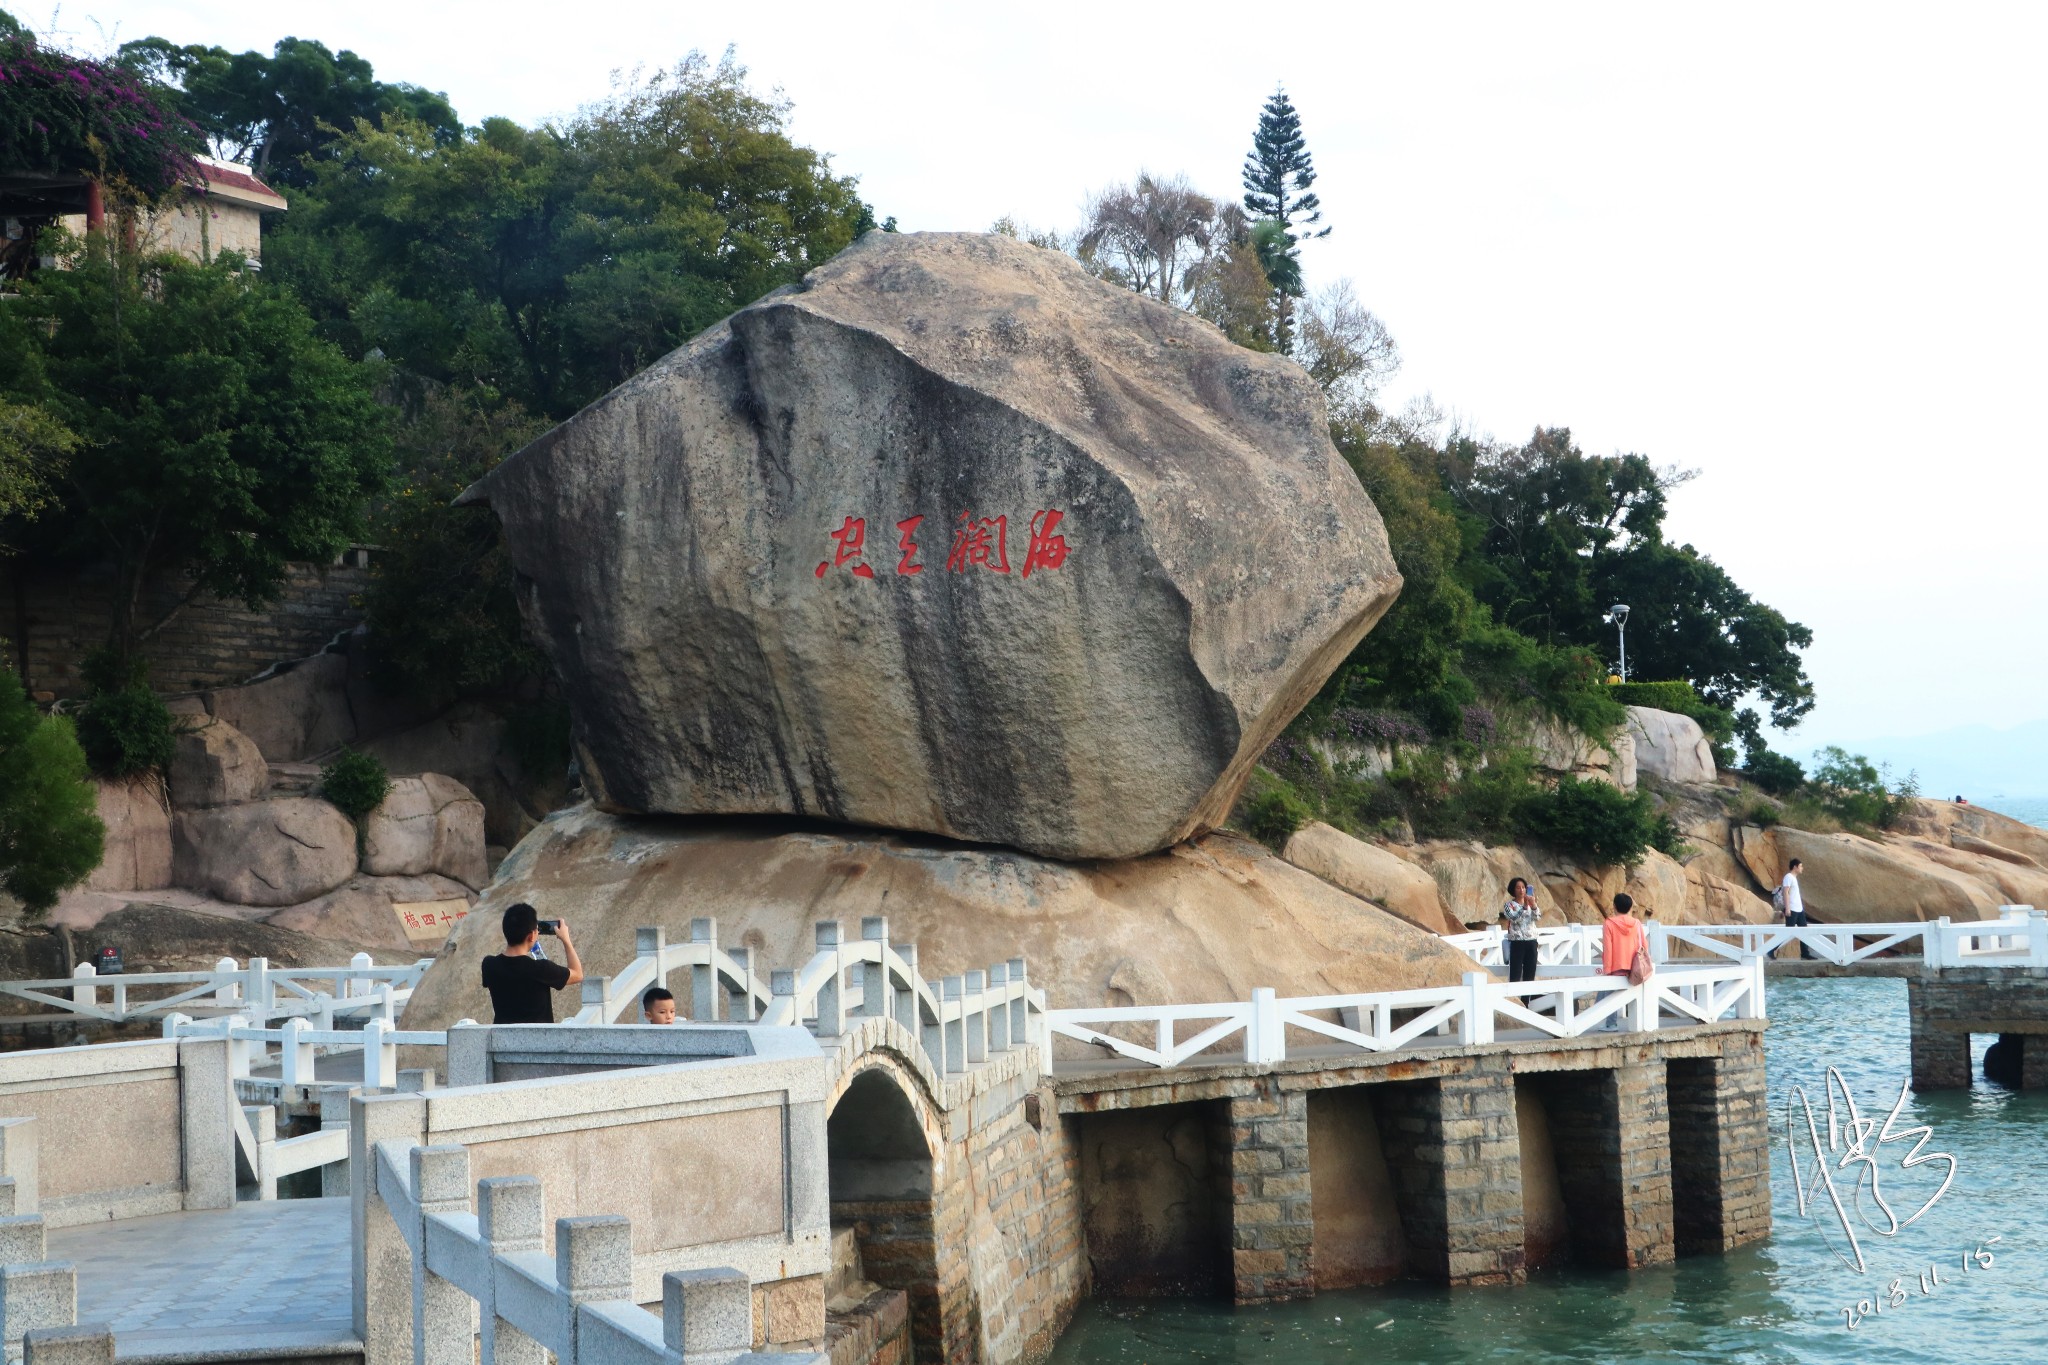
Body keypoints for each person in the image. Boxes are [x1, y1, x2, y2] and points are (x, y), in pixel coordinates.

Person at [480, 902, 584, 1024]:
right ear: (531, 936)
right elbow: (578, 974)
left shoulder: (489, 965)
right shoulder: (541, 969)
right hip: (538, 1036)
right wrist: (566, 940)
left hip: (503, 1036)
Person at [1601, 893, 1647, 1030]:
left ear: (1614, 906)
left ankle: (1611, 1024)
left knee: (1609, 995)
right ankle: (1639, 1023)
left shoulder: (1609, 923)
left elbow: (1608, 948)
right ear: (1630, 907)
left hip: (1616, 966)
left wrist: (1607, 970)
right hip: (1634, 966)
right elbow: (1644, 945)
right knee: (1633, 994)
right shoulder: (1637, 923)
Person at [1499, 877, 1541, 983]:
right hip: (1517, 943)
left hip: (1531, 941)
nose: (1521, 890)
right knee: (1515, 975)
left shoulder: (1531, 904)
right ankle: (1514, 994)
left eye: (1523, 887)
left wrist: (1534, 905)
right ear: (1513, 890)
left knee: (1530, 976)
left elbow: (1537, 917)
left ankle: (1527, 995)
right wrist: (1525, 906)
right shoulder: (1509, 905)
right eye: (1518, 888)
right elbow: (1514, 918)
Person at [1780, 858, 1813, 959]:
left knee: (1804, 931)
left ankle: (1805, 954)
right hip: (1792, 909)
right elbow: (1785, 892)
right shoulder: (1788, 877)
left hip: (1799, 910)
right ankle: (1772, 949)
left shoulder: (1794, 878)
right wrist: (1787, 908)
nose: (1802, 868)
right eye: (1800, 866)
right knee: (1788, 932)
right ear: (1795, 867)